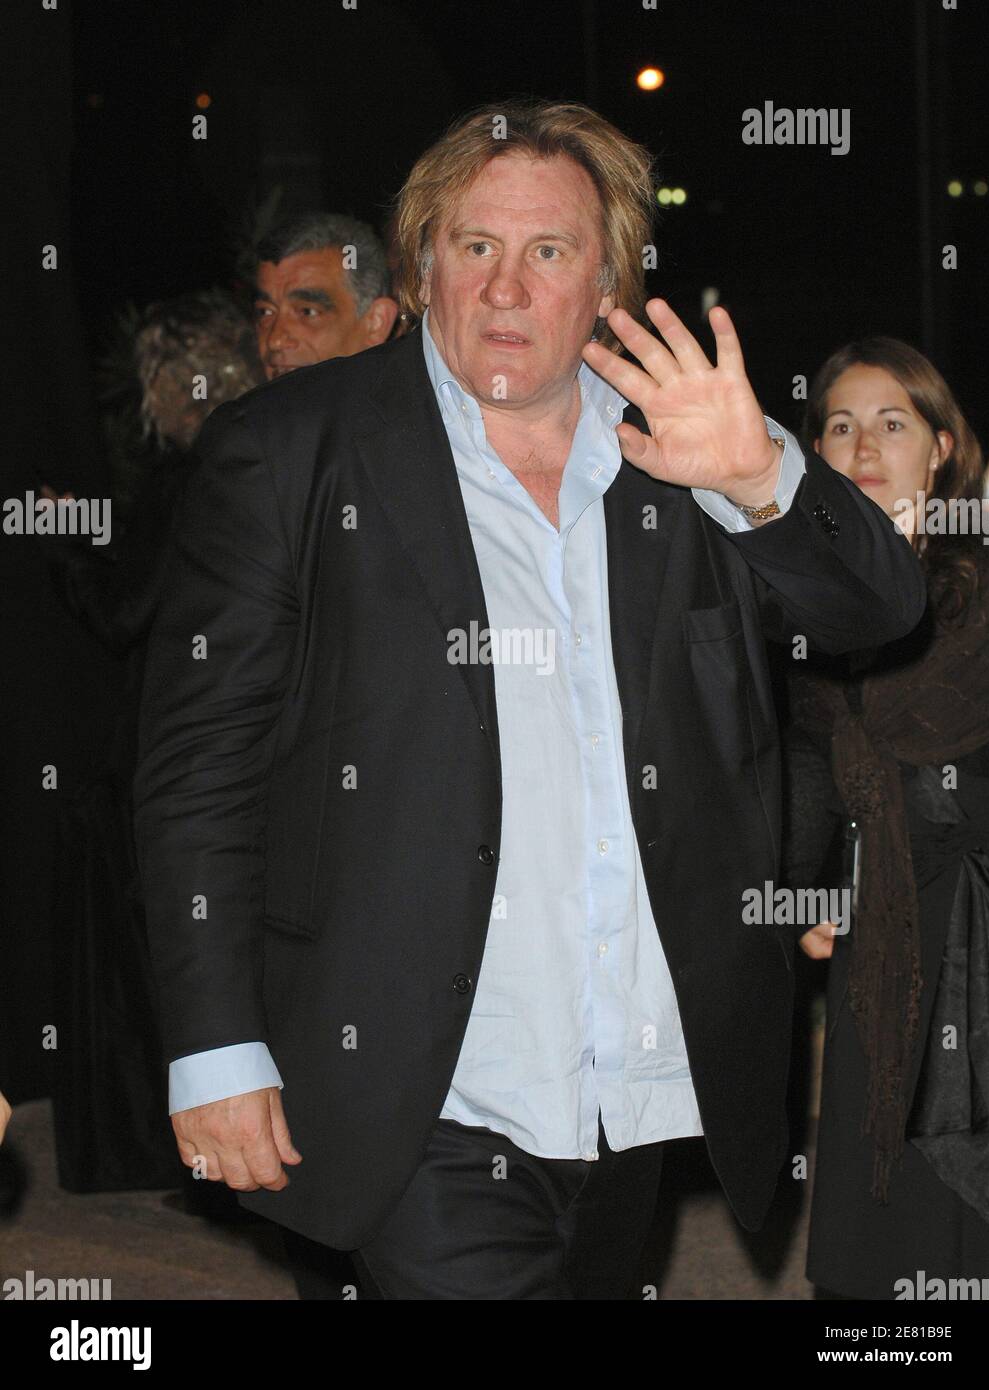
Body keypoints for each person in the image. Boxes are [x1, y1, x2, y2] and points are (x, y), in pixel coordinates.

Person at [134, 99, 924, 1301]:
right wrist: (212, 1043)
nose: (507, 288)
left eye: (547, 252)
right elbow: (199, 770)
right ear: (424, 265)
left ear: (605, 275)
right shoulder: (293, 451)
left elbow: (879, 612)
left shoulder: (686, 445)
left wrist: (762, 473)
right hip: (422, 1085)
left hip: (626, 1084)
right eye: (474, 248)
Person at [781, 337, 989, 1300]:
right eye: (840, 425)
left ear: (942, 449)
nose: (863, 444)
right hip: (880, 965)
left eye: (892, 422)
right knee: (876, 1263)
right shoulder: (795, 607)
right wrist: (809, 882)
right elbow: (800, 771)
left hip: (983, 971)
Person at [38, 290, 263, 1196]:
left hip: (167, 752)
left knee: (146, 952)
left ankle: (160, 1148)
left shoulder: (196, 469)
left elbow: (130, 608)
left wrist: (61, 546)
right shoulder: (256, 459)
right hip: (238, 741)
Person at [249, 212, 398, 380]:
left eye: (307, 312)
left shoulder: (417, 403)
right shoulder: (244, 404)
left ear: (376, 323)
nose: (275, 341)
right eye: (265, 312)